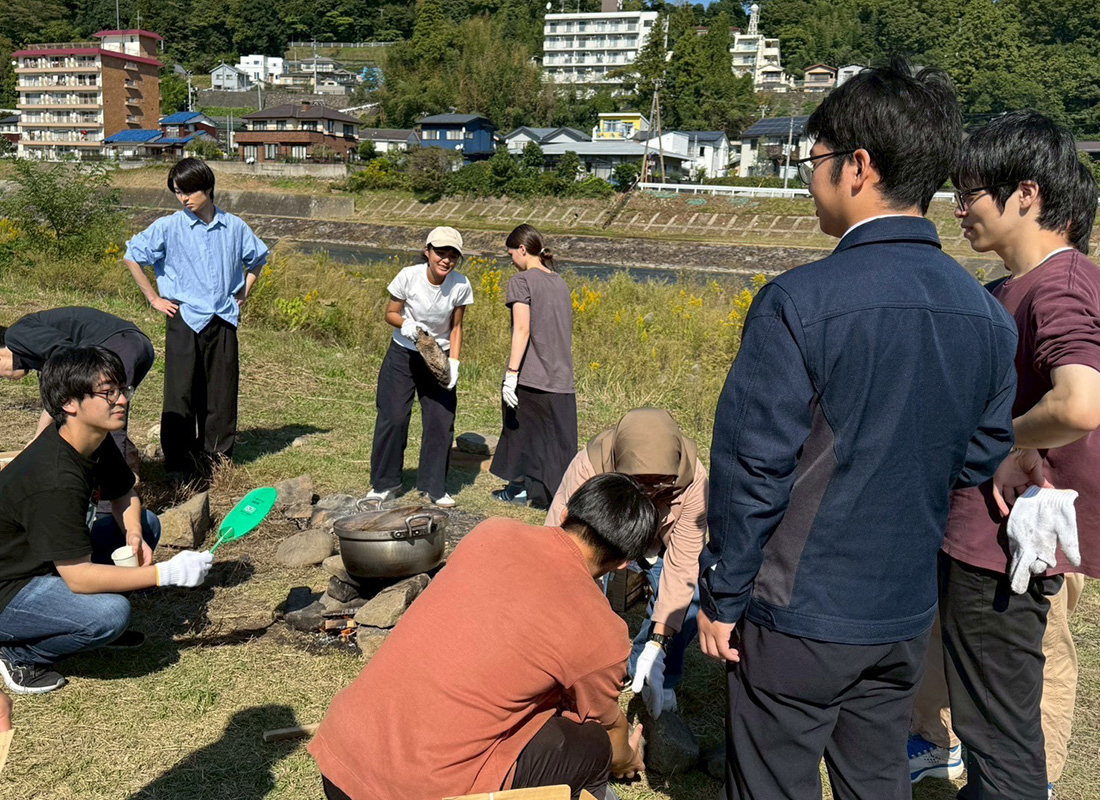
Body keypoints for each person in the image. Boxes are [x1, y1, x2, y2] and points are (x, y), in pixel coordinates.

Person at [697, 59, 1019, 800]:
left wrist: (723, 595)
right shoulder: (986, 317)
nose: (811, 178)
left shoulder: (798, 303)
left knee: (774, 780)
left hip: (797, 610)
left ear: (858, 167)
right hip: (903, 607)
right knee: (874, 774)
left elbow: (754, 470)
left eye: (815, 160)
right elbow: (978, 456)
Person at [917, 112, 1100, 800]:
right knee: (990, 723)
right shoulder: (1009, 288)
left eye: (971, 194)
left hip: (1000, 547)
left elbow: (1081, 403)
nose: (958, 210)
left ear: (1027, 193)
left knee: (999, 733)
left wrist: (1000, 440)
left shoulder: (1059, 283)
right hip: (982, 539)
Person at [310, 473, 655, 800]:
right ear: (624, 562)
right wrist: (624, 757)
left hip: (341, 759)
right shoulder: (602, 631)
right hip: (416, 790)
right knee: (592, 746)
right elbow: (605, 724)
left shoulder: (492, 532)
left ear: (565, 512)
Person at [0, 347, 213, 695]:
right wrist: (166, 574)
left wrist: (133, 534)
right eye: (107, 393)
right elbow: (80, 577)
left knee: (146, 523)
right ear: (70, 403)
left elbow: (125, 494)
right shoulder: (55, 478)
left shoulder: (91, 439)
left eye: (121, 389)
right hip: (9, 589)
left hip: (44, 561)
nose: (122, 400)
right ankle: (19, 653)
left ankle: (73, 620)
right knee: (110, 615)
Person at [546, 408, 707, 717]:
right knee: (578, 601)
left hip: (657, 544)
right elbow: (561, 544)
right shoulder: (589, 467)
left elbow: (685, 561)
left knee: (692, 597)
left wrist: (659, 642)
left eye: (660, 484)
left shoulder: (693, 478)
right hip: (607, 539)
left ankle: (652, 669)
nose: (648, 492)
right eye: (638, 483)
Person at [122, 157, 269, 481]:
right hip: (184, 315)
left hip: (223, 317)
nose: (183, 198)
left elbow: (259, 258)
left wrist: (244, 292)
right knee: (181, 392)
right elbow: (133, 255)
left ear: (207, 188)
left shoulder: (235, 227)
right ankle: (178, 462)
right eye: (177, 192)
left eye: (188, 191)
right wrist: (154, 298)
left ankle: (217, 459)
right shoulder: (168, 227)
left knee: (221, 393)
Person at [362, 226, 474, 509]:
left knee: (440, 421)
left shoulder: (460, 285)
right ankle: (385, 484)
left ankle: (435, 486)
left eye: (452, 255)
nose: (446, 259)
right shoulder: (408, 276)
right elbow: (390, 312)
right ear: (427, 251)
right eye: (440, 252)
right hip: (404, 353)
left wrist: (455, 364)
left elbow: (457, 327)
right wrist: (406, 324)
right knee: (394, 417)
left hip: (438, 357)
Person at [0, 306, 154, 468]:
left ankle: (118, 486)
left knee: (109, 411)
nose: (6, 379)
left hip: (119, 343)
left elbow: (70, 359)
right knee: (96, 414)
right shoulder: (30, 346)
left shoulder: (16, 335)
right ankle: (127, 463)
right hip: (136, 346)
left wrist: (39, 440)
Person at [490, 224, 576, 509]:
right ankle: (551, 497)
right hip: (561, 376)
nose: (511, 259)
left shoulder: (522, 281)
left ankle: (517, 489)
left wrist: (511, 375)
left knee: (519, 433)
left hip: (532, 375)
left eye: (511, 253)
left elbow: (522, 330)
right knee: (555, 442)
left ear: (523, 250)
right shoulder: (560, 282)